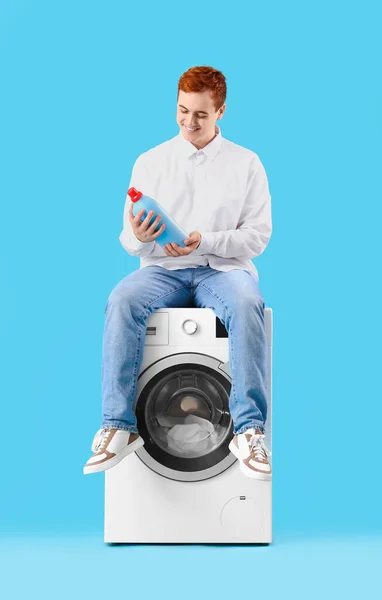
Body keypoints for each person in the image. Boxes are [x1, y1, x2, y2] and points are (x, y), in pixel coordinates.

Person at [83, 65, 272, 480]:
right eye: (182, 110)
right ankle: (118, 425)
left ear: (220, 111)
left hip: (221, 270)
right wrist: (138, 234)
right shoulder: (151, 161)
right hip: (163, 270)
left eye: (201, 114)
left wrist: (204, 241)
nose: (189, 122)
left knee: (248, 302)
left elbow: (257, 237)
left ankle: (248, 431)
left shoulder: (247, 163)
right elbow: (129, 241)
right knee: (121, 299)